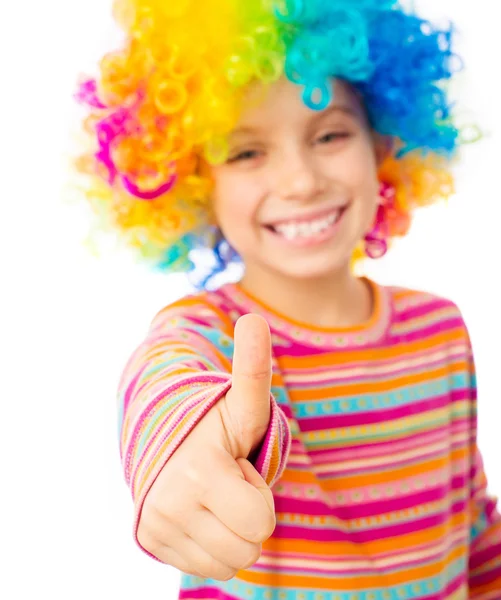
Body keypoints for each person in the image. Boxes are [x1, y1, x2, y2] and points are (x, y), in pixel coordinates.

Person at [75, 0, 501, 597]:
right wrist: (177, 447)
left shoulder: (441, 328)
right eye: (246, 152)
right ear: (193, 179)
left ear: (382, 144)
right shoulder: (210, 335)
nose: (301, 181)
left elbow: (472, 525)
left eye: (330, 134)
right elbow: (165, 383)